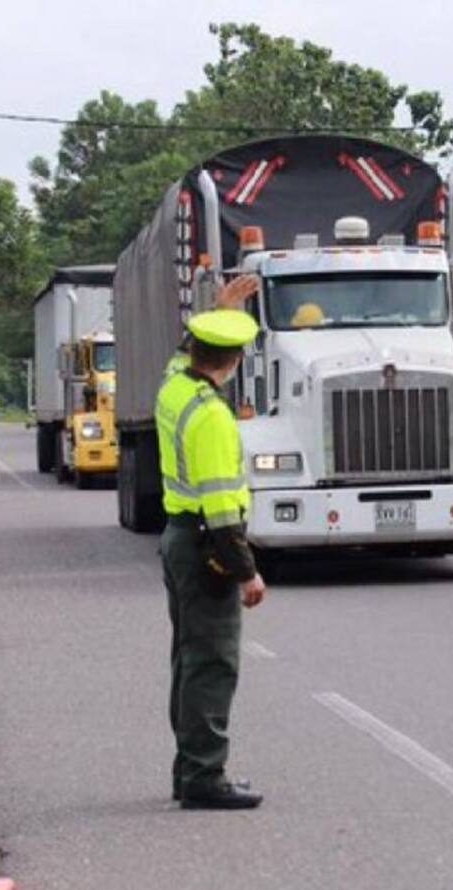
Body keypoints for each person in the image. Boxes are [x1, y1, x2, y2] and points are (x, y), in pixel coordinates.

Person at [156, 308, 266, 810]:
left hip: (179, 536)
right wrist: (248, 573)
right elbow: (222, 510)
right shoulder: (213, 417)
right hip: (207, 545)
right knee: (212, 662)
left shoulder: (174, 390)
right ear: (237, 361)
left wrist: (217, 306)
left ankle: (189, 770)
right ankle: (204, 775)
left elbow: (179, 358)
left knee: (189, 656)